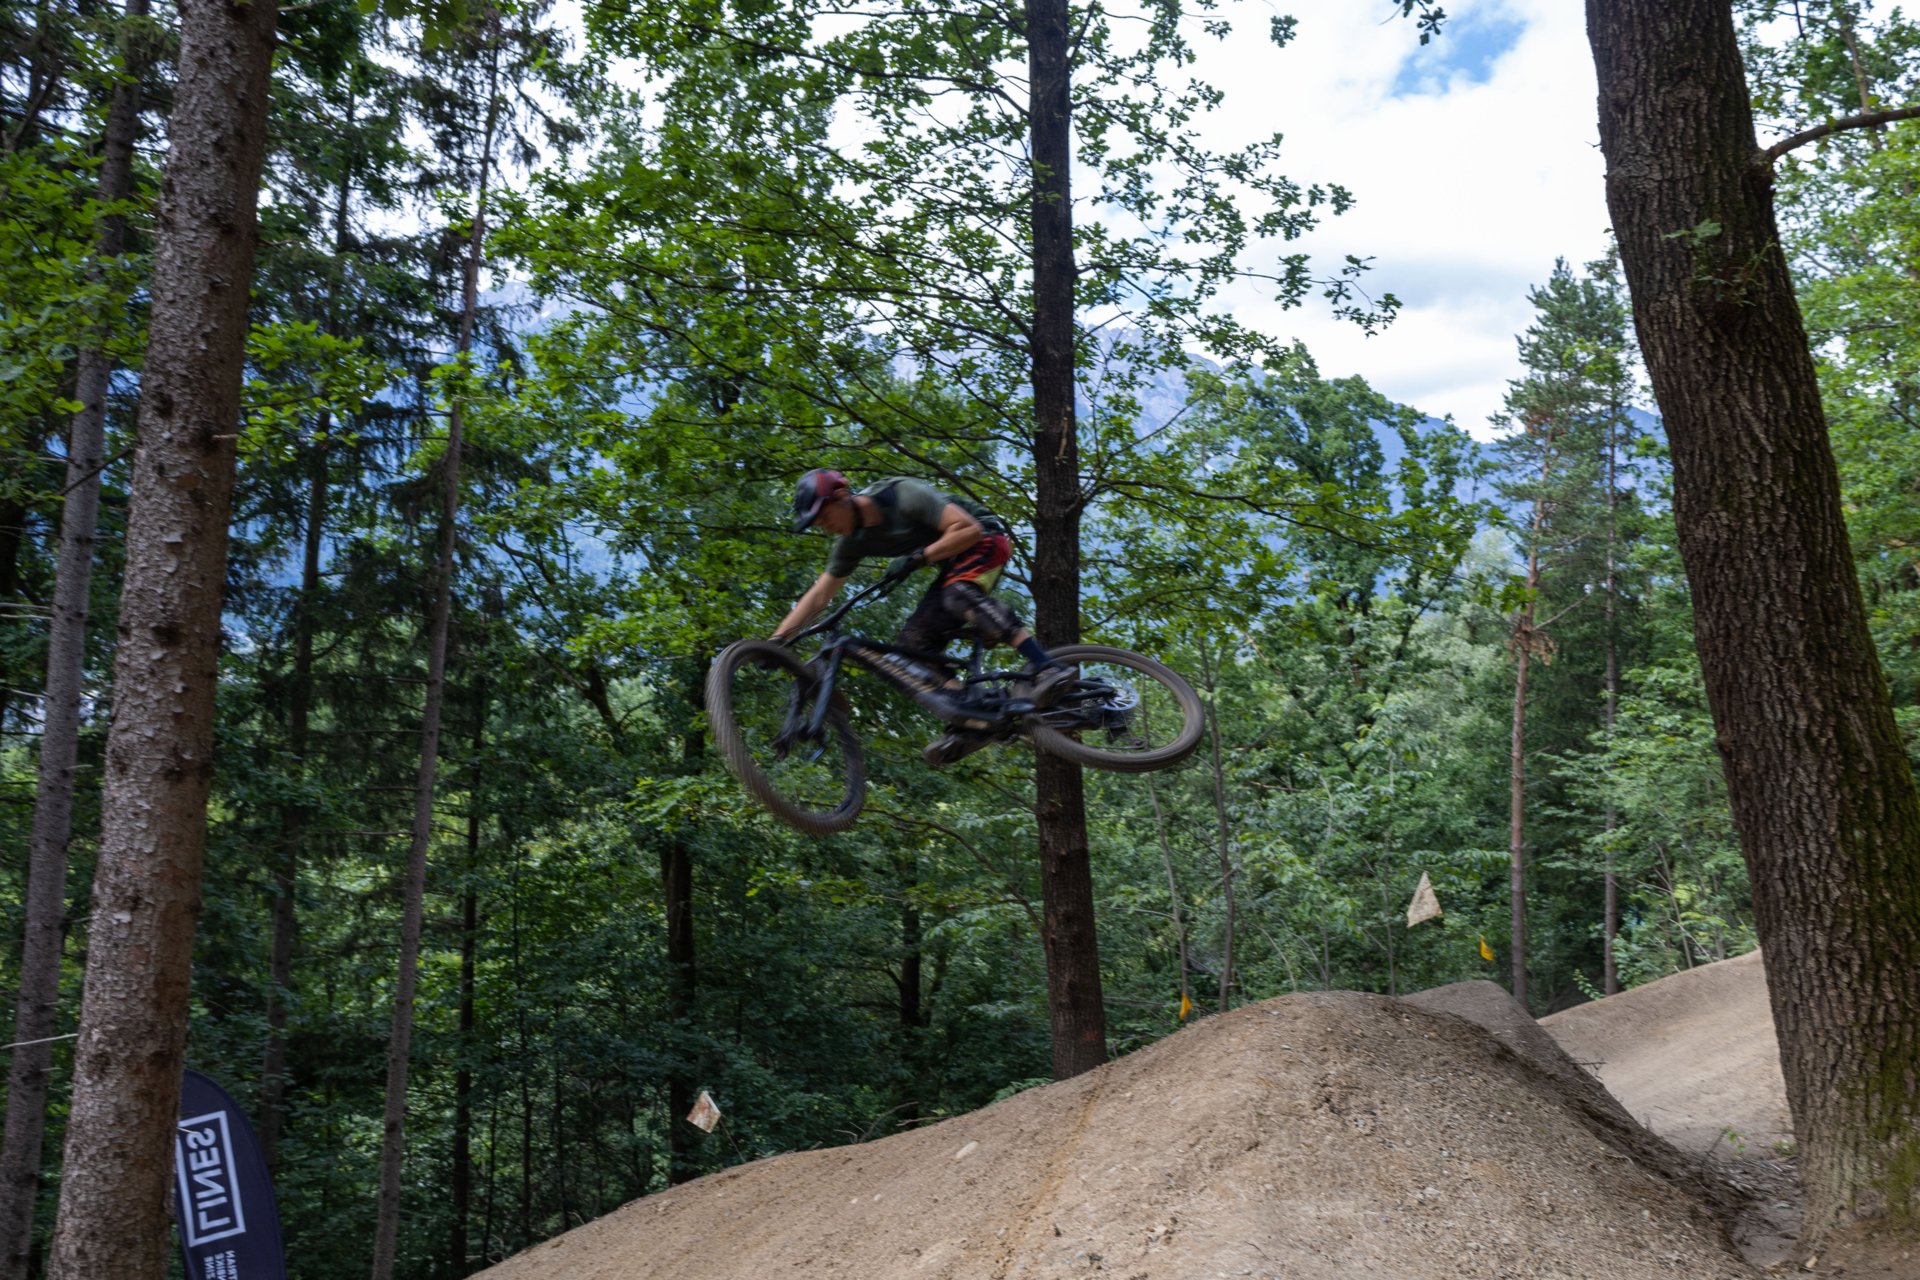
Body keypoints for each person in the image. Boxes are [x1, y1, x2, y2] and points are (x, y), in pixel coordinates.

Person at [772, 468, 1070, 766]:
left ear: (840, 496)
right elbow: (820, 594)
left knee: (957, 594)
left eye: (824, 517)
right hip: (950, 561)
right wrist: (777, 641)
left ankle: (1046, 666)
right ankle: (970, 716)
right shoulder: (852, 543)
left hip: (985, 538)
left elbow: (969, 530)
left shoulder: (901, 494)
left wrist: (917, 558)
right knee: (914, 645)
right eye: (818, 524)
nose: (825, 527)